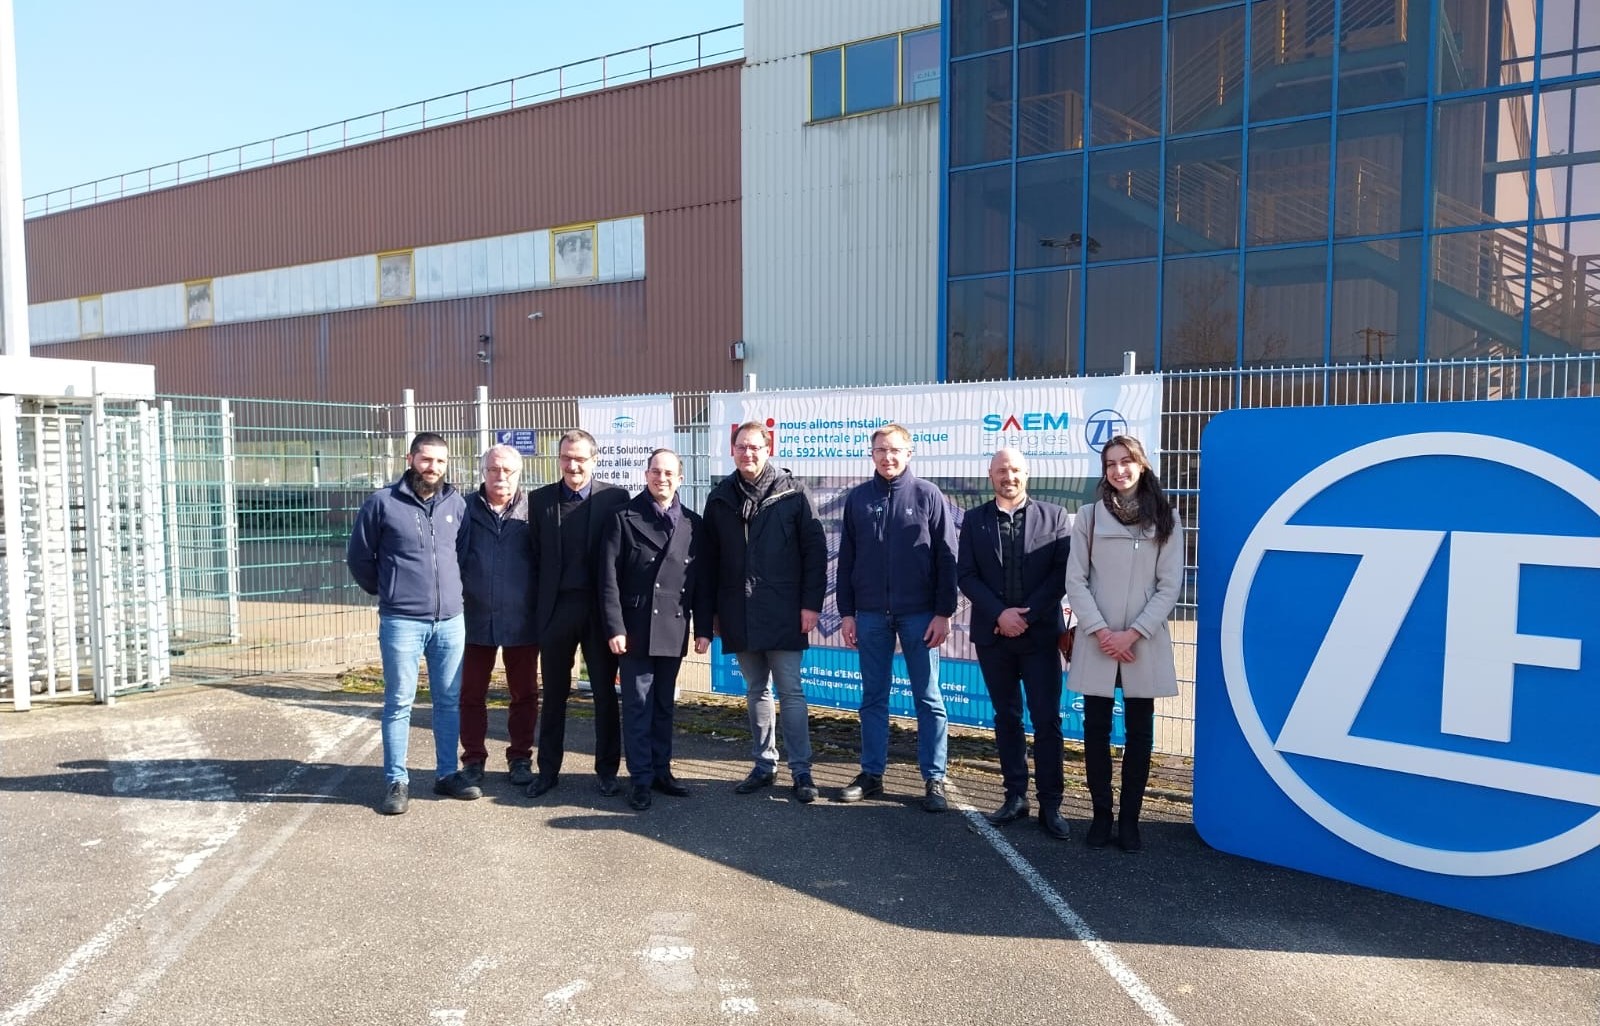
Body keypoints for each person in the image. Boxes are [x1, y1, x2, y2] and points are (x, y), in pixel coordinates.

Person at [346, 432, 482, 815]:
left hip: (451, 621)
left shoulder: (456, 503)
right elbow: (359, 558)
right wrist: (390, 590)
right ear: (410, 459)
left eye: (440, 461)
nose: (433, 468)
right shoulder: (382, 503)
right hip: (402, 621)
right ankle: (396, 780)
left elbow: (462, 553)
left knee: (448, 700)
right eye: (426, 460)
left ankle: (445, 774)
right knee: (400, 702)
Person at [1063, 434, 1183, 853]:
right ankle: (1100, 816)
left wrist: (1131, 634)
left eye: (1126, 461)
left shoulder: (1166, 517)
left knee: (1139, 733)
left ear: (1142, 464)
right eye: (1111, 463)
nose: (1119, 470)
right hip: (1099, 641)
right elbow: (1075, 581)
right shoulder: (1090, 517)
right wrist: (1102, 633)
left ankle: (1130, 821)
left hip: (1141, 642)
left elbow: (1170, 587)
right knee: (1095, 732)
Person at [699, 421, 828, 804]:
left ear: (768, 449)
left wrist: (810, 605)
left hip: (786, 610)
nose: (748, 453)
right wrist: (711, 616)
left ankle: (801, 771)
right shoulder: (720, 496)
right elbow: (709, 563)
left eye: (755, 447)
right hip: (738, 610)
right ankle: (764, 764)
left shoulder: (794, 493)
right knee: (756, 690)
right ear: (732, 450)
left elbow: (815, 552)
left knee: (790, 692)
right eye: (741, 447)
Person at [836, 423, 959, 812]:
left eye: (895, 450)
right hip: (870, 615)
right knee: (873, 698)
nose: (887, 457)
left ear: (909, 453)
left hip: (920, 615)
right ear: (872, 455)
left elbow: (947, 557)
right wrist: (847, 613)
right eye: (880, 451)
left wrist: (943, 613)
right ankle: (872, 774)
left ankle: (933, 778)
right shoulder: (857, 499)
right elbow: (847, 560)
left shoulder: (928, 495)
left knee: (929, 698)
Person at [956, 448, 1072, 839]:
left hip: (1039, 637)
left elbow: (1061, 574)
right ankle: (1015, 796)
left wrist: (1027, 615)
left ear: (1028, 473)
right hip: (994, 637)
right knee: (1006, 718)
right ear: (991, 475)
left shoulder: (1054, 516)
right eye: (1002, 470)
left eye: (1016, 469)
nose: (1010, 476)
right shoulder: (974, 520)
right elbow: (967, 575)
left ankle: (1051, 804)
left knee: (1047, 721)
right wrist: (1000, 615)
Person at [599, 449, 711, 811]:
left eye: (669, 473)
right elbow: (609, 581)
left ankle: (662, 772)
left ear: (680, 478)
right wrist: (615, 626)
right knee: (637, 705)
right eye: (655, 472)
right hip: (634, 628)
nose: (661, 478)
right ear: (646, 475)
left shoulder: (693, 524)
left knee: (663, 704)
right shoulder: (623, 518)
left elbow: (702, 584)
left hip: (673, 626)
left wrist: (703, 628)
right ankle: (641, 778)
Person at [527, 429, 630, 798]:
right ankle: (548, 771)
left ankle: (606, 771)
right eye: (567, 458)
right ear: (559, 460)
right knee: (554, 693)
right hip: (557, 610)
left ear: (594, 460)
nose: (573, 465)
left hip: (600, 612)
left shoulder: (616, 499)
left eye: (581, 458)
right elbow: (535, 557)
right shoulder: (540, 501)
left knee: (605, 693)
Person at [459, 444, 539, 788]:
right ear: (483, 472)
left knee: (524, 694)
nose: (501, 476)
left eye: (508, 470)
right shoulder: (462, 509)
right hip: (473, 618)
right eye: (494, 469)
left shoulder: (534, 511)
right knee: (471, 694)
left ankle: (520, 757)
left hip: (523, 620)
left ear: (520, 473)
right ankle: (473, 758)